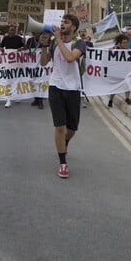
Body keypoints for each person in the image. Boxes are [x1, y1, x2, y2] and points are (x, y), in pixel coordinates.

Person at [40, 14, 87, 179]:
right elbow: (44, 62)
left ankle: (65, 143)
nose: (62, 24)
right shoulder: (54, 42)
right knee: (60, 127)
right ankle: (63, 162)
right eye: (61, 22)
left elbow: (70, 58)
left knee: (71, 129)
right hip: (56, 86)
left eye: (66, 22)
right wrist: (44, 45)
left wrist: (58, 39)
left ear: (73, 27)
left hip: (73, 89)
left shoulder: (79, 43)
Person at [0, 25, 24, 108]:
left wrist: (22, 48)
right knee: (8, 80)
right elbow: (1, 46)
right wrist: (1, 49)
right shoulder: (5, 38)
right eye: (11, 30)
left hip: (17, 63)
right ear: (8, 30)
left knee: (16, 79)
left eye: (13, 30)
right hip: (8, 63)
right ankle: (8, 99)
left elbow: (25, 48)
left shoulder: (19, 38)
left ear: (15, 31)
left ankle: (16, 95)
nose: (12, 32)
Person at [108, 33, 131, 107]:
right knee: (115, 87)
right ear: (120, 44)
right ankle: (111, 100)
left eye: (126, 42)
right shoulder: (115, 50)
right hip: (117, 72)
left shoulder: (129, 51)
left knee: (127, 84)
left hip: (126, 71)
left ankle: (127, 98)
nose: (126, 44)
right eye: (124, 43)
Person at [26, 32, 45, 109]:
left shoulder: (44, 40)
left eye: (38, 33)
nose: (36, 34)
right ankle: (36, 99)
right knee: (34, 81)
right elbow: (27, 50)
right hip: (32, 65)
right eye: (35, 33)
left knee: (40, 81)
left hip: (41, 63)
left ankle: (40, 100)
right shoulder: (30, 40)